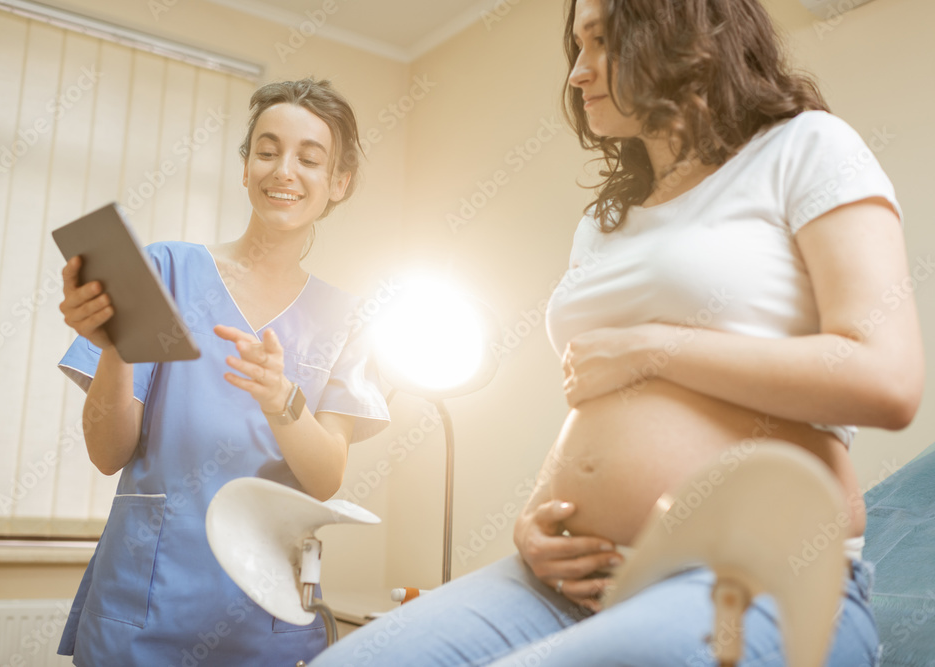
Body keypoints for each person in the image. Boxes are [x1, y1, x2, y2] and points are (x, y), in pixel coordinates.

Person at [311, 0, 924, 665]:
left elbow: (885, 378)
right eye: (575, 46)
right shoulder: (605, 222)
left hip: (764, 568)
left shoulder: (806, 145)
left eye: (601, 42)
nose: (577, 72)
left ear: (682, 31)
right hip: (568, 578)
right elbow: (600, 399)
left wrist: (659, 348)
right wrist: (536, 513)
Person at [55, 78, 390, 666]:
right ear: (245, 168)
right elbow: (108, 452)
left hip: (263, 612)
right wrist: (114, 346)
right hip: (143, 603)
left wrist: (281, 397)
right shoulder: (164, 271)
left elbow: (326, 478)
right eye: (267, 150)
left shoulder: (348, 319)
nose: (284, 170)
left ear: (339, 183)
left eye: (309, 158)